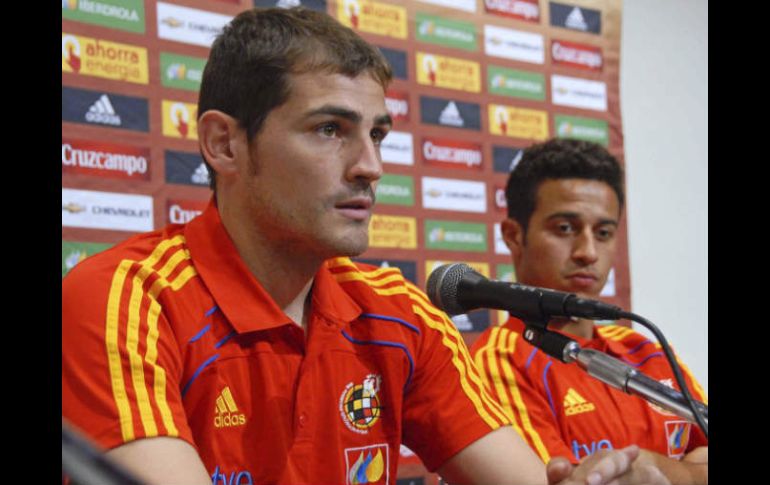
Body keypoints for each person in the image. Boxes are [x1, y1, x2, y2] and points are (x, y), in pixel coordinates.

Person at [62, 7, 669, 485]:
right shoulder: (123, 299)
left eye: (377, 134)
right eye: (331, 130)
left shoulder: (397, 314)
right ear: (224, 144)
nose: (371, 167)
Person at [471, 138, 708, 484]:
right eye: (565, 228)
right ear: (514, 236)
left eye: (603, 232)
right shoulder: (499, 362)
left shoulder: (645, 350)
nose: (588, 252)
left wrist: (663, 472)